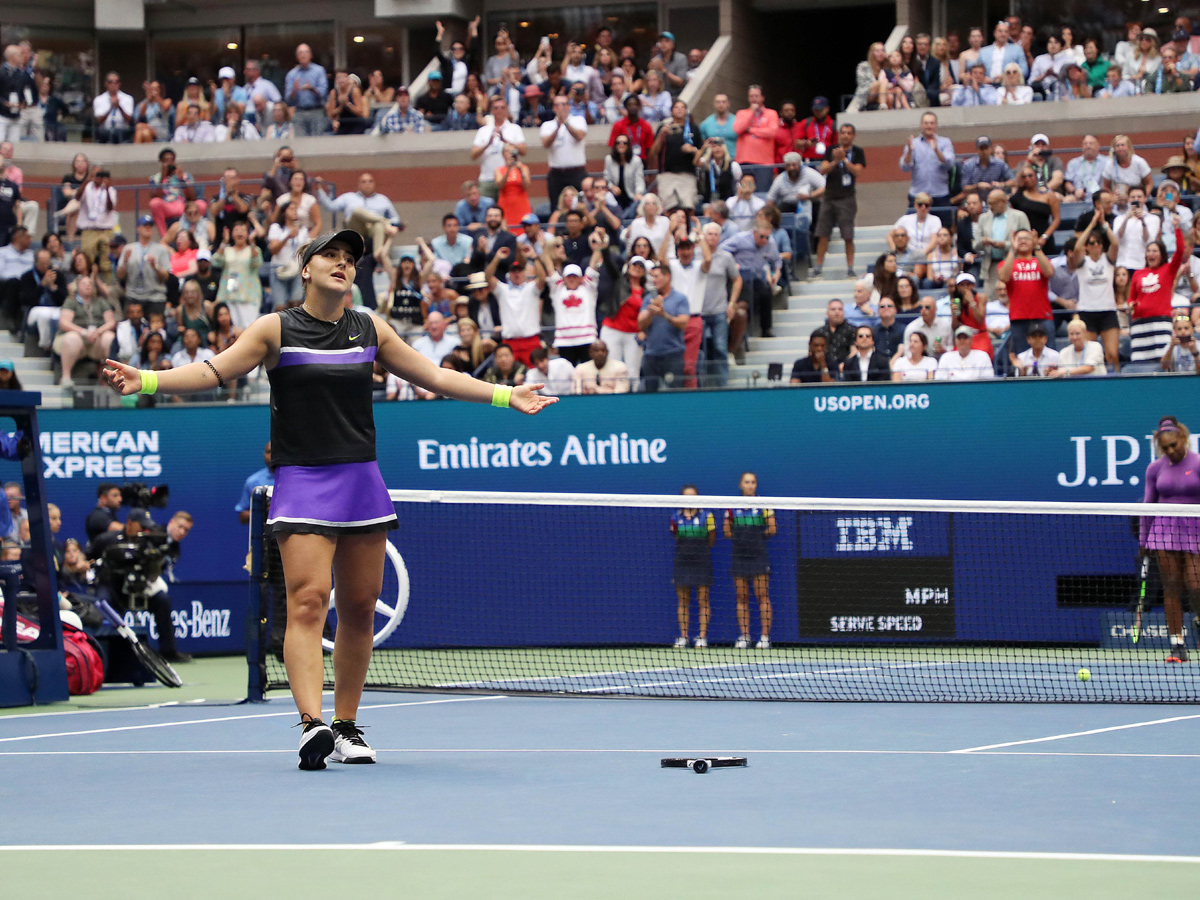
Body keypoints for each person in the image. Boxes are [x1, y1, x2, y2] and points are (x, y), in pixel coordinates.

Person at [103, 230, 556, 765]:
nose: (344, 265)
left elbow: (434, 374)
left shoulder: (369, 328)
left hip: (361, 480)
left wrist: (506, 395)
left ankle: (346, 726)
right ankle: (311, 725)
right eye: (332, 257)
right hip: (303, 481)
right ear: (307, 268)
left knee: (361, 607)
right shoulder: (275, 328)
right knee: (310, 598)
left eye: (351, 260)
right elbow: (213, 369)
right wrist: (149, 380)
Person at [1140, 416, 1200, 663]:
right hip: (1164, 532)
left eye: (1174, 445)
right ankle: (1177, 645)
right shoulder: (1155, 468)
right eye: (1165, 448)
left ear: (1183, 439)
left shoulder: (1198, 464)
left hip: (1196, 529)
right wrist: (1143, 542)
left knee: (1196, 585)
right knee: (1172, 588)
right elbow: (1147, 505)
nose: (1171, 451)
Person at [725, 472, 774, 650]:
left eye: (753, 482)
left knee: (762, 596)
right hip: (739, 557)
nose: (750, 485)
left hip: (759, 556)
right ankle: (745, 636)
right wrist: (741, 538)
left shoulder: (764, 505)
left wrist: (756, 537)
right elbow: (726, 531)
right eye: (747, 482)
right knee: (741, 597)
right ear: (740, 485)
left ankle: (764, 637)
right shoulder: (732, 507)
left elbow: (772, 528)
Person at [1129, 217, 1186, 363]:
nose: (1151, 254)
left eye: (1155, 251)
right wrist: (1131, 304)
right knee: (1139, 366)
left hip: (1161, 322)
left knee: (1163, 363)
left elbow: (1180, 251)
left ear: (1161, 254)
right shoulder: (1138, 273)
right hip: (1139, 325)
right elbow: (1131, 297)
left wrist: (1177, 228)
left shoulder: (1168, 269)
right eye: (1148, 251)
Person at [1071, 211, 1121, 372]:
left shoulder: (1108, 259)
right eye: (1091, 243)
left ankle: (1118, 384)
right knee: (1088, 355)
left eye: (1098, 243)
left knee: (1112, 354)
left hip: (1108, 311)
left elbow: (1115, 244)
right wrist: (1092, 224)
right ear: (1087, 246)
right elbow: (1077, 246)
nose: (1095, 246)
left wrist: (1104, 224)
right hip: (1087, 312)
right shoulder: (1082, 262)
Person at [671, 485, 715, 649]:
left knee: (703, 599)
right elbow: (676, 536)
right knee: (683, 600)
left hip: (702, 562)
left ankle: (702, 637)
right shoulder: (675, 517)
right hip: (682, 562)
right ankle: (684, 636)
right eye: (686, 496)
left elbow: (712, 538)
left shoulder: (707, 516)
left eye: (693, 496)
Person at [637, 262, 689, 392]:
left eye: (657, 276)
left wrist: (664, 315)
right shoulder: (648, 299)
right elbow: (640, 324)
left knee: (674, 394)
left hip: (673, 354)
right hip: (651, 354)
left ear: (667, 276)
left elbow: (684, 323)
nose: (654, 280)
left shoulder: (680, 298)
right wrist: (651, 311)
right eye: (652, 277)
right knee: (650, 395)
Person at [899, 113, 955, 223]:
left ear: (936, 125)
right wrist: (909, 151)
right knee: (913, 228)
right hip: (918, 195)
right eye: (926, 123)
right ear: (921, 125)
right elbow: (904, 167)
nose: (929, 126)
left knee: (943, 231)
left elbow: (949, 164)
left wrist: (936, 151)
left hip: (940, 195)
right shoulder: (913, 144)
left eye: (931, 123)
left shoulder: (945, 142)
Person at [471, 95, 526, 201]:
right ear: (491, 110)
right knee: (487, 211)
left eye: (502, 108)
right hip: (487, 178)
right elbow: (473, 155)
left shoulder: (514, 129)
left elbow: (523, 151)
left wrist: (505, 140)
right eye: (496, 108)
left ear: (507, 110)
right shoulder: (484, 130)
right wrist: (487, 143)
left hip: (509, 178)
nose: (499, 110)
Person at [732, 85, 779, 188]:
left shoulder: (771, 113)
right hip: (744, 161)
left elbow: (772, 132)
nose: (754, 99)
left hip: (764, 162)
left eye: (756, 96)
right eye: (751, 96)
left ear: (762, 98)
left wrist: (750, 130)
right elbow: (737, 129)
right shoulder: (742, 113)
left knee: (762, 193)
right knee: (743, 192)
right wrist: (751, 113)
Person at [93, 72, 134, 143]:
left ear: (119, 84)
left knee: (118, 134)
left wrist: (119, 107)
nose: (113, 84)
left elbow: (129, 119)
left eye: (116, 82)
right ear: (106, 84)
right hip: (106, 129)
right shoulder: (99, 99)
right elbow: (99, 120)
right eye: (110, 82)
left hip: (122, 129)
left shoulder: (128, 98)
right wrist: (111, 107)